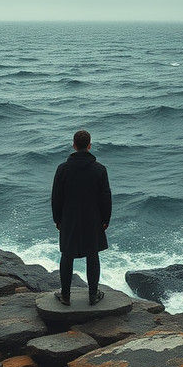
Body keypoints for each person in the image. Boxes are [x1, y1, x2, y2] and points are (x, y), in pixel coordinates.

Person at [51, 129, 111, 306]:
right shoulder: (99, 169)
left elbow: (56, 197)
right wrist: (105, 220)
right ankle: (93, 295)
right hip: (93, 218)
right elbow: (105, 197)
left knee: (67, 255)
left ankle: (66, 295)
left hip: (69, 218)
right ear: (90, 146)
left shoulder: (63, 169)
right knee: (93, 255)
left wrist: (57, 219)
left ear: (74, 145)